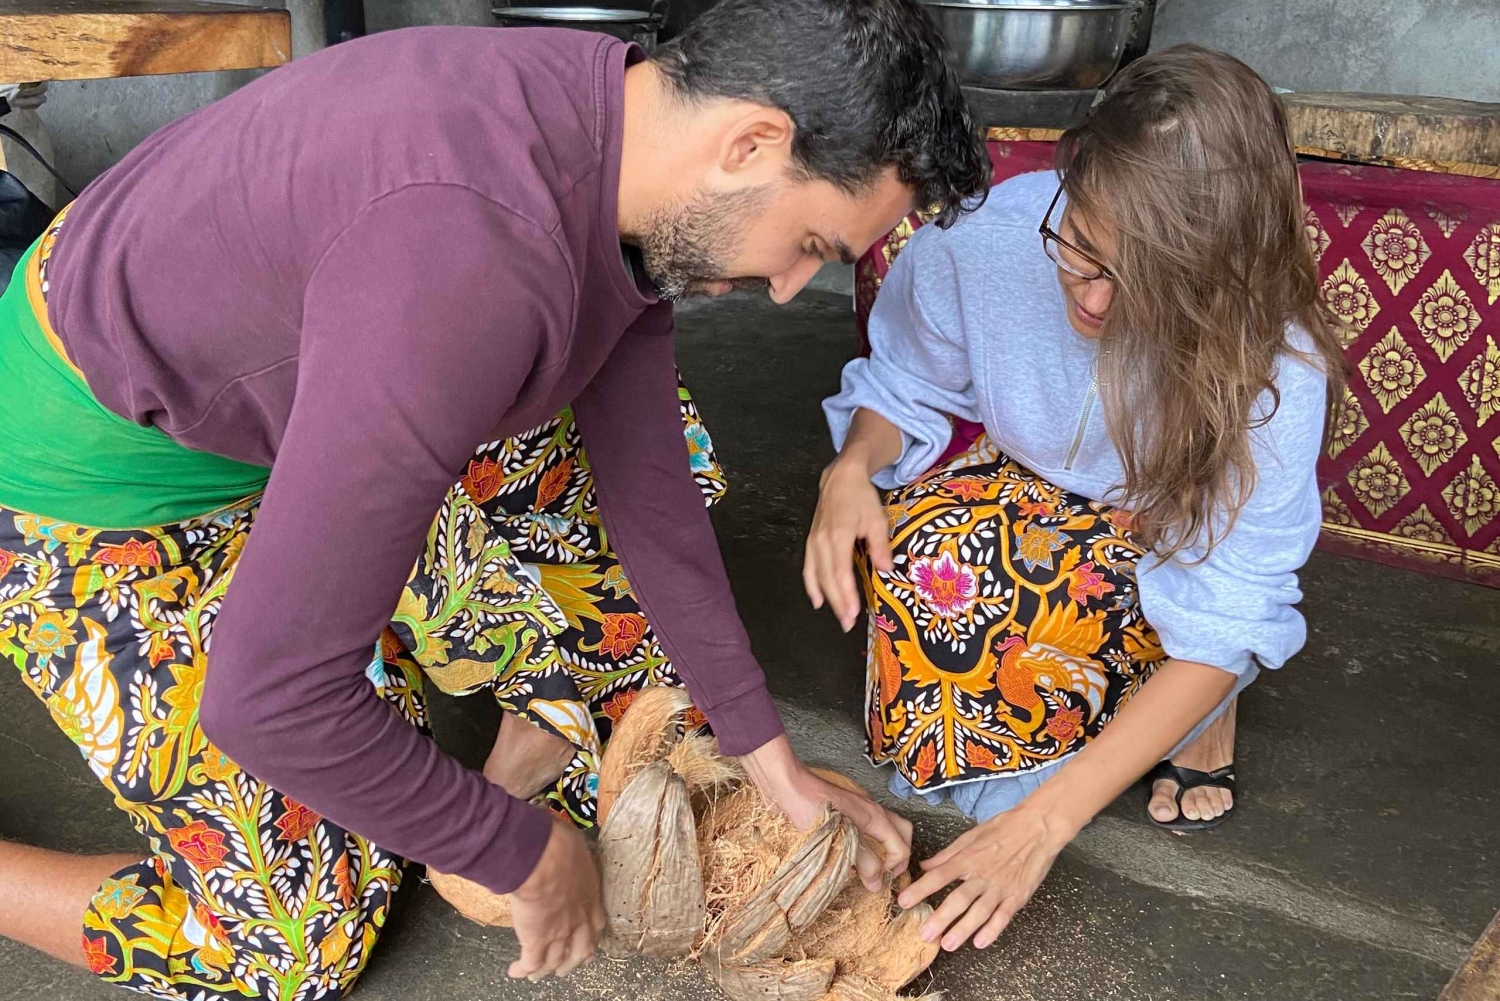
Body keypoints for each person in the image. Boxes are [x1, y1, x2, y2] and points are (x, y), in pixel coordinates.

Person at [0, 2, 994, 995]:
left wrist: (773, 761)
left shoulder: (623, 129)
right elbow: (268, 697)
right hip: (99, 488)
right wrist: (518, 848)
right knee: (293, 938)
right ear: (750, 142)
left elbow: (647, 486)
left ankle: (506, 698)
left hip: (305, 374)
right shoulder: (465, 266)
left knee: (649, 556)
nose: (788, 287)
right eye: (811, 241)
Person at [805, 45, 1345, 953]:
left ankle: (1204, 702)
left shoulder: (1276, 364)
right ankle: (1153, 707)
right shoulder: (987, 236)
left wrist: (1043, 825)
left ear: (1215, 272)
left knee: (1047, 756)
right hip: (1026, 479)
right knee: (927, 576)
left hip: (1165, 526)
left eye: (1142, 283)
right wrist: (851, 467)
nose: (1091, 300)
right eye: (1081, 247)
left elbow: (1235, 601)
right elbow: (907, 382)